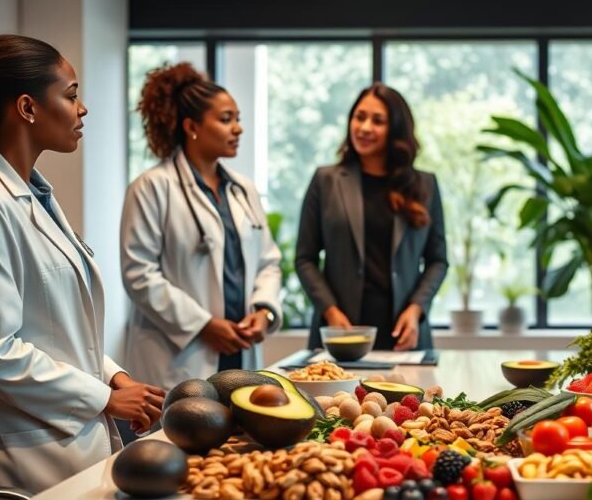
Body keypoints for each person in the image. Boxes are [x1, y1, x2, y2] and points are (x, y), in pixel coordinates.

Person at [0, 35, 167, 500]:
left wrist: (114, 375)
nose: (82, 108)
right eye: (71, 94)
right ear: (28, 107)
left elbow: (56, 326)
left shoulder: (28, 195)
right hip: (24, 460)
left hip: (61, 440)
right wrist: (104, 398)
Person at [120, 63, 282, 390]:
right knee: (179, 435)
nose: (237, 129)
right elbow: (139, 273)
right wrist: (203, 325)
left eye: (238, 119)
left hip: (240, 347)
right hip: (181, 354)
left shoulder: (243, 190)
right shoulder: (152, 187)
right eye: (226, 120)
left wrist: (263, 312)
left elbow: (268, 261)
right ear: (191, 126)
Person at [295, 83, 447, 352]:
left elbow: (437, 260)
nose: (364, 128)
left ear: (396, 129)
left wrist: (416, 309)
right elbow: (305, 258)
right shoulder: (325, 180)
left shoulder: (425, 185)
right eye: (359, 117)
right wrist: (330, 311)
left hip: (403, 333)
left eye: (378, 121)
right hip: (340, 332)